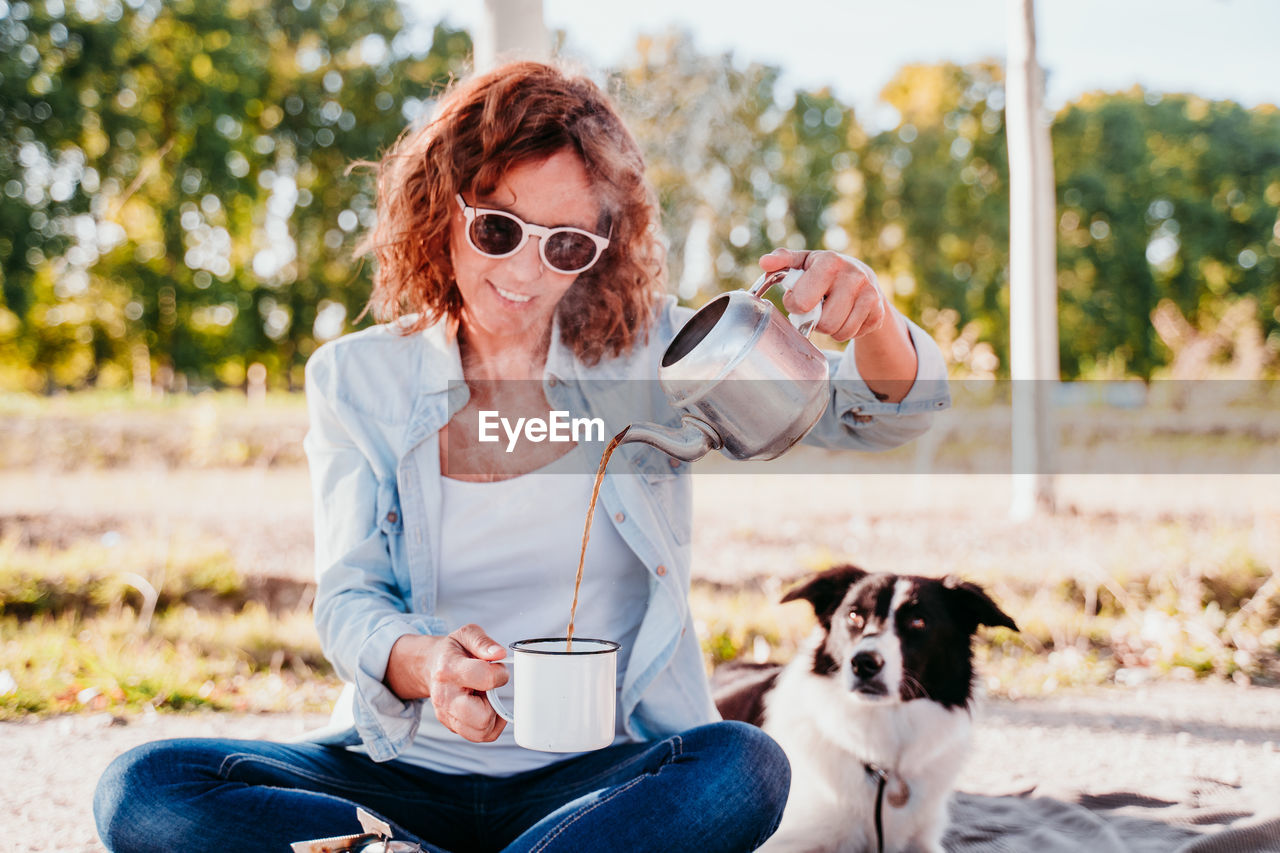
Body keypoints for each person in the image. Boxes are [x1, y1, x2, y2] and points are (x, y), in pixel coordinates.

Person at [93, 61, 950, 852]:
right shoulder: (358, 378)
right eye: (499, 228)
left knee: (744, 766)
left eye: (567, 244)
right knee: (147, 787)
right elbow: (351, 594)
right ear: (444, 205)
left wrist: (871, 319)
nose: (527, 272)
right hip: (396, 774)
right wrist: (426, 664)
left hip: (594, 783)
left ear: (601, 247)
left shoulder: (652, 357)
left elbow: (883, 420)